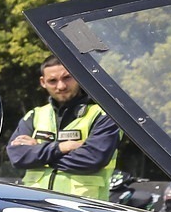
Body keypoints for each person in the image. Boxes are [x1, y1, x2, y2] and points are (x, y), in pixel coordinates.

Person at [6, 57, 118, 199]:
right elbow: (18, 156)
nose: (61, 86)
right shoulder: (34, 115)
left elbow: (93, 158)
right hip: (34, 204)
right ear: (43, 82)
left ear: (78, 77)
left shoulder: (103, 115)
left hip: (84, 209)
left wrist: (38, 152)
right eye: (53, 81)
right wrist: (62, 147)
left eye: (67, 78)